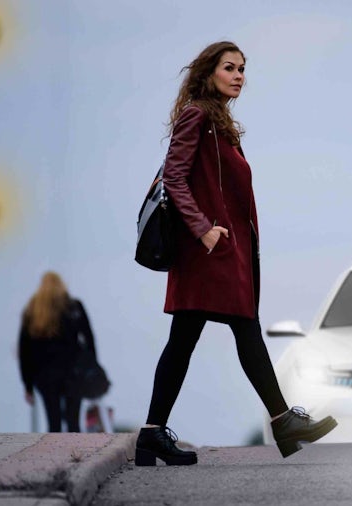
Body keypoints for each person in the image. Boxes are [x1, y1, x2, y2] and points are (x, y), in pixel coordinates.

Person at [136, 41, 336, 467]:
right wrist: (203, 229)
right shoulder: (197, 116)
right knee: (217, 336)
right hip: (207, 252)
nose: (239, 75)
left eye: (243, 69)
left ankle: (155, 434)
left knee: (213, 337)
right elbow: (173, 175)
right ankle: (280, 421)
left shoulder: (218, 122)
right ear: (209, 73)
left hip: (225, 253)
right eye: (230, 68)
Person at [19, 271, 96, 433]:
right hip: (74, 372)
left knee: (53, 422)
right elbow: (89, 338)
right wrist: (91, 367)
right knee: (73, 421)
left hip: (44, 374)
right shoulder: (74, 307)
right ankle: (76, 455)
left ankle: (55, 455)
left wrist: (28, 385)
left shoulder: (33, 310)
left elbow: (24, 350)